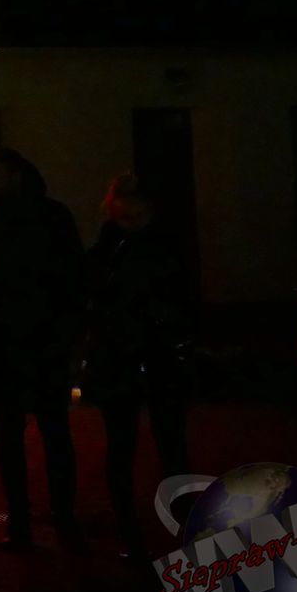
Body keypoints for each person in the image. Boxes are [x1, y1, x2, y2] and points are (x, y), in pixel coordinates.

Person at [0, 147, 87, 552]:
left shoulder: (50, 217)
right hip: (1, 338)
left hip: (42, 336)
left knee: (51, 428)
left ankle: (61, 514)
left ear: (15, 175)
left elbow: (73, 276)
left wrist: (69, 329)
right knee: (13, 431)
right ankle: (23, 517)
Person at [85, 175, 194, 557]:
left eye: (137, 217)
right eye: (125, 218)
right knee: (130, 443)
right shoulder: (111, 249)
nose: (131, 224)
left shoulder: (146, 248)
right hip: (126, 354)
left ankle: (172, 520)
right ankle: (136, 526)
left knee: (163, 441)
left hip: (148, 352)